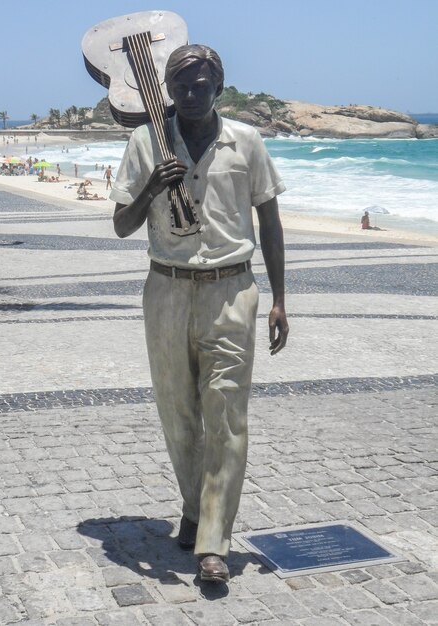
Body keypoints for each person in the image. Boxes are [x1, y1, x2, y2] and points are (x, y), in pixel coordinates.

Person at [111, 44, 288, 583]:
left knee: (227, 416)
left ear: (219, 85)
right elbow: (121, 223)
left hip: (231, 290)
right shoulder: (145, 142)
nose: (192, 94)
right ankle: (195, 506)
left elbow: (271, 221)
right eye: (182, 85)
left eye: (202, 84)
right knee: (179, 415)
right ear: (167, 88)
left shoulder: (247, 141)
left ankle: (213, 540)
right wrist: (151, 188)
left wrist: (280, 299)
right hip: (166, 290)